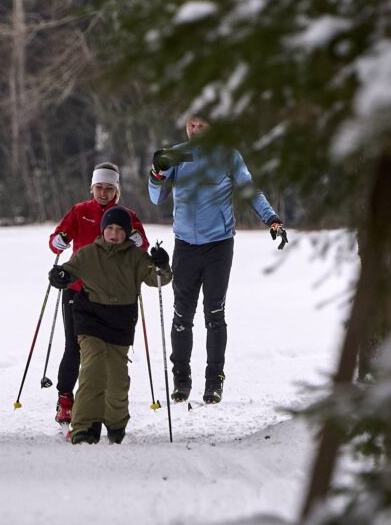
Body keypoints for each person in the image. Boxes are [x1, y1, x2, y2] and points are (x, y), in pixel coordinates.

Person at [147, 113, 284, 405]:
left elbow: (250, 190)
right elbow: (156, 198)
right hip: (185, 244)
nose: (195, 130)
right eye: (191, 125)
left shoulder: (228, 155)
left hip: (218, 246)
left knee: (214, 314)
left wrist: (271, 219)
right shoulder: (178, 154)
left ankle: (214, 381)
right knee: (181, 316)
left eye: (202, 126)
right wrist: (157, 173)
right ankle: (181, 380)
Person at [48, 207, 171, 444]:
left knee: (117, 378)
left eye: (120, 230)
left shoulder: (136, 257)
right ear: (103, 230)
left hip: (121, 323)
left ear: (127, 233)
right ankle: (84, 426)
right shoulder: (88, 254)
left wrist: (162, 264)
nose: (114, 234)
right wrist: (59, 276)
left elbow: (159, 279)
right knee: (93, 368)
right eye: (110, 229)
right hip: (90, 319)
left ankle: (115, 424)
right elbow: (69, 273)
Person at [45, 162, 147, 429]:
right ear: (92, 188)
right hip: (77, 288)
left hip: (112, 294)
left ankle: (101, 404)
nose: (104, 193)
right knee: (74, 347)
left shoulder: (126, 215)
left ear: (117, 190)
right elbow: (60, 235)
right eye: (99, 188)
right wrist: (58, 241)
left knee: (109, 352)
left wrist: (138, 242)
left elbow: (142, 246)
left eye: (109, 188)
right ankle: (65, 400)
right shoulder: (81, 211)